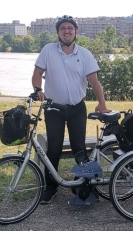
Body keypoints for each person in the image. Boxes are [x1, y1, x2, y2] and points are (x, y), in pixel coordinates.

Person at [31, 15, 110, 204]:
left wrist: (102, 104)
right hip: (53, 108)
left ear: (76, 32)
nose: (67, 31)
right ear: (58, 32)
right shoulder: (48, 50)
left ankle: (83, 186)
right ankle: (51, 187)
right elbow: (37, 74)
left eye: (70, 28)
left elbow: (94, 81)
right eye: (63, 28)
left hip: (77, 109)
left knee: (79, 149)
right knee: (54, 149)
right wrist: (37, 90)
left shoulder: (84, 54)